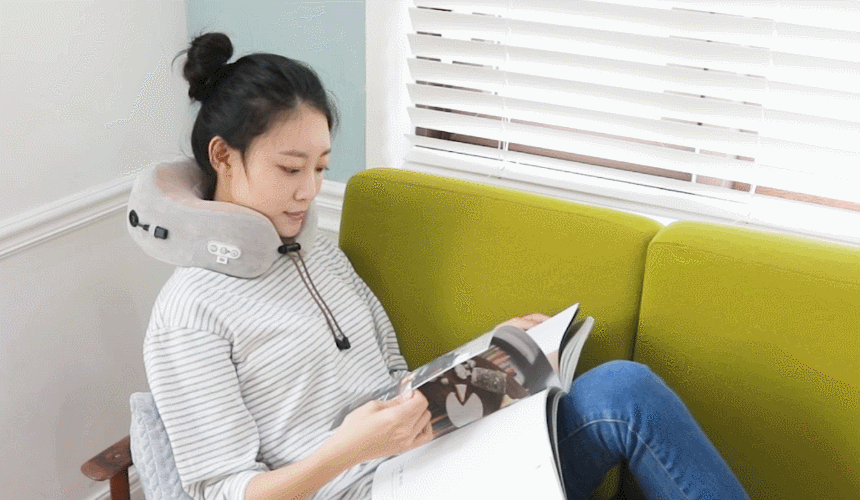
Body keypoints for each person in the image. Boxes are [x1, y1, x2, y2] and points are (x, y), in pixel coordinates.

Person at [143, 32, 751, 500]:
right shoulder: (190, 313)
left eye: (321, 168)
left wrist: (493, 356)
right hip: (363, 489)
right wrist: (346, 452)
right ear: (223, 156)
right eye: (290, 168)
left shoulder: (317, 254)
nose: (309, 190)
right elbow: (222, 491)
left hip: (429, 466)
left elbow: (397, 389)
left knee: (624, 391)